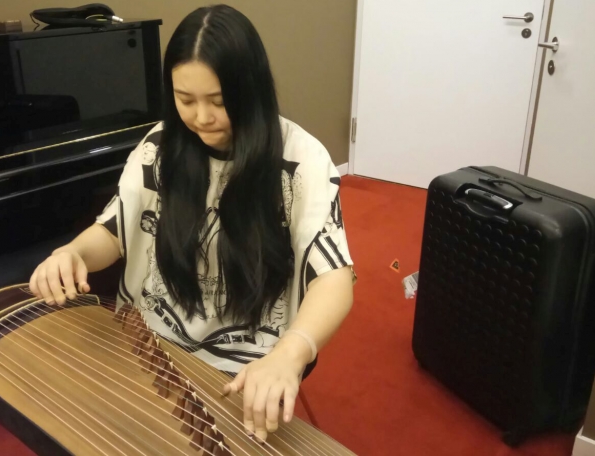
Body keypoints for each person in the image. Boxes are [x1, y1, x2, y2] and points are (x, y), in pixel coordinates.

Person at [30, 4, 355, 443]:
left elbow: (334, 278)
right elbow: (115, 229)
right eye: (186, 100)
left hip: (248, 360)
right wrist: (72, 253)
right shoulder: (160, 147)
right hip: (151, 341)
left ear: (252, 90)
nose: (201, 117)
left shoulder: (301, 161)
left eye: (219, 102)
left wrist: (291, 354)